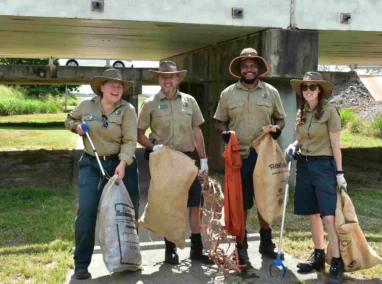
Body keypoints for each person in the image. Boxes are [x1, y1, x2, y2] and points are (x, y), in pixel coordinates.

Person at [213, 48, 286, 266]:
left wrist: (277, 129)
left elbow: (281, 119)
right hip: (239, 158)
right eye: (245, 66)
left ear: (258, 68)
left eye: (253, 65)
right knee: (240, 203)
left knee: (264, 199)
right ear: (239, 70)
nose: (249, 69)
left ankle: (266, 242)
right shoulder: (228, 93)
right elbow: (220, 121)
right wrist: (225, 134)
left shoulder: (271, 92)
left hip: (263, 157)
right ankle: (241, 246)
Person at [65, 69, 139, 280]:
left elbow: (129, 140)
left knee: (127, 211)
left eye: (120, 86)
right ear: (102, 87)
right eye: (112, 85)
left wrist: (123, 163)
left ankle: (129, 258)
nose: (116, 89)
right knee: (87, 212)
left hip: (122, 164)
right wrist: (76, 127)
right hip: (92, 164)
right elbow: (69, 119)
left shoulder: (128, 110)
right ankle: (81, 264)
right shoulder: (86, 105)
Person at [137, 60, 211, 265]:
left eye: (171, 76)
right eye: (163, 76)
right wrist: (153, 147)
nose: (167, 80)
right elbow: (139, 134)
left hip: (187, 160)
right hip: (165, 161)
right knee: (168, 205)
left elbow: (197, 131)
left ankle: (197, 248)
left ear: (178, 79)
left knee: (195, 203)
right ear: (158, 79)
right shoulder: (150, 104)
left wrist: (203, 159)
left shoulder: (189, 101)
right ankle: (170, 250)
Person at [284, 71, 347, 284]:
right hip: (305, 166)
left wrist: (339, 173)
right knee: (313, 214)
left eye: (312, 87)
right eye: (305, 87)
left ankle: (337, 262)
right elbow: (300, 139)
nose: (308, 90)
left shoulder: (330, 112)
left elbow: (337, 146)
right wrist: (292, 146)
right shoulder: (302, 112)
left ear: (320, 90)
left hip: (324, 167)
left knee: (328, 217)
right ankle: (319, 256)